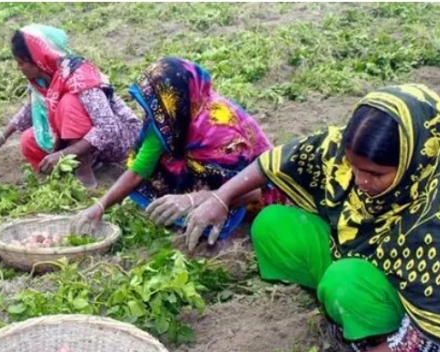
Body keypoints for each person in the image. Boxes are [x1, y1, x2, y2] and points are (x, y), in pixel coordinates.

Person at [183, 84, 440, 352]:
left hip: (418, 313)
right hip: (359, 262)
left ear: (413, 159)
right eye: (354, 168)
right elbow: (280, 161)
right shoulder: (342, 150)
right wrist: (221, 197)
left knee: (345, 281)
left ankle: (382, 340)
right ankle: (347, 311)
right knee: (273, 224)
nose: (361, 181)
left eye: (376, 174)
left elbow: (428, 336)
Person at [71, 57, 283, 239]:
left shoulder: (222, 129)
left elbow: (255, 188)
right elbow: (139, 170)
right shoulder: (167, 120)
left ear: (180, 101)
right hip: (212, 186)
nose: (155, 116)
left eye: (161, 106)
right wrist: (99, 206)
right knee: (168, 161)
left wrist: (194, 199)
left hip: (255, 196)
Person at [0, 24, 140, 188]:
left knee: (68, 103)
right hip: (88, 142)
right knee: (29, 140)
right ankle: (81, 164)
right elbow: (31, 107)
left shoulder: (79, 76)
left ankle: (84, 173)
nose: (19, 68)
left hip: (119, 139)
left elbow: (108, 128)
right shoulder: (43, 78)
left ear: (37, 59)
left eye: (21, 62)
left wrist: (64, 153)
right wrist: (4, 135)